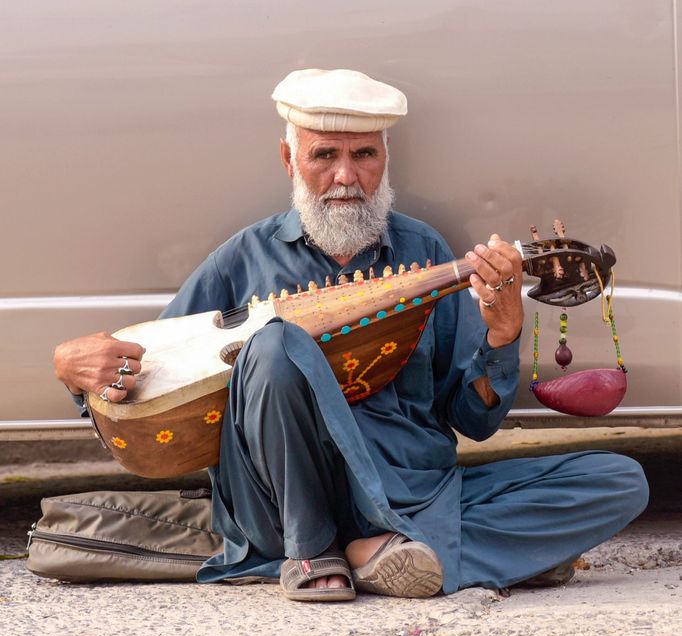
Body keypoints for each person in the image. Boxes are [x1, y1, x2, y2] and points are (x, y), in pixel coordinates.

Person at [54, 68, 649, 602]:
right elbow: (151, 369)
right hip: (283, 504)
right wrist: (76, 372)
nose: (346, 176)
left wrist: (502, 334)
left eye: (364, 154)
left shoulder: (426, 255)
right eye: (323, 156)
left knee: (619, 480)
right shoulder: (244, 259)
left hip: (412, 493)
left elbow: (475, 421)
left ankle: (376, 554)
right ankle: (331, 550)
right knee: (278, 343)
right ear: (289, 160)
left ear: (385, 160)